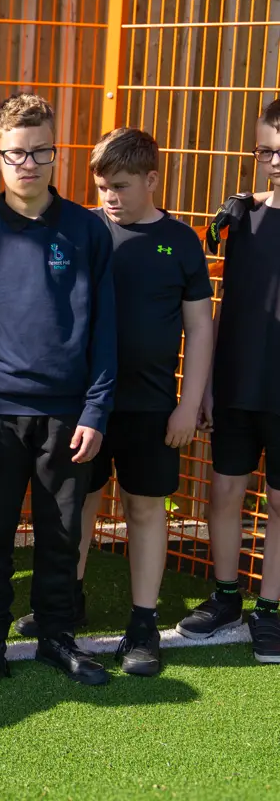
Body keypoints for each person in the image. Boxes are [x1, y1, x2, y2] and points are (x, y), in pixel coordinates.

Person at [13, 128, 213, 676]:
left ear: (152, 180)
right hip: (83, 406)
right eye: (102, 187)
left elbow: (200, 327)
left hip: (153, 408)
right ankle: (66, 602)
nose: (110, 198)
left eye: (121, 186)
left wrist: (188, 402)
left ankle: (143, 623)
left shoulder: (181, 242)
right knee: (77, 502)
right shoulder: (83, 231)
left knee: (145, 508)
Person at [0, 92, 116, 689]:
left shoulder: (88, 232)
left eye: (41, 151)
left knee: (62, 533)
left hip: (68, 416)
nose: (29, 163)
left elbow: (105, 330)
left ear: (56, 153)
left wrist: (96, 409)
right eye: (17, 153)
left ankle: (57, 636)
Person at [174, 98, 280, 665]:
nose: (275, 161)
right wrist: (208, 381)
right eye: (267, 150)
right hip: (238, 383)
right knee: (225, 493)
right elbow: (214, 302)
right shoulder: (237, 216)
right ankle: (225, 596)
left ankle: (271, 609)